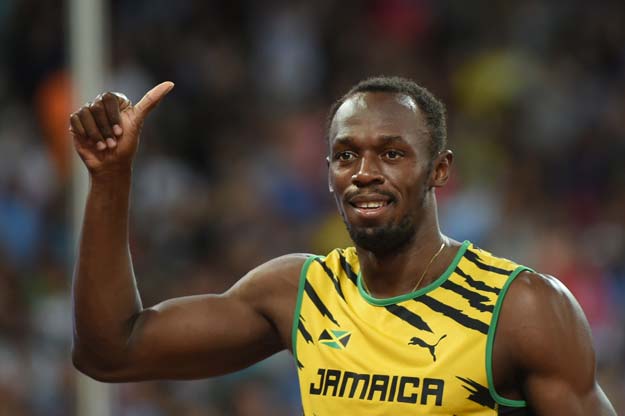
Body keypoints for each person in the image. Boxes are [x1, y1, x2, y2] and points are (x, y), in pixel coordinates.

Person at [69, 76, 616, 415]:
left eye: (393, 153)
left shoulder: (521, 308)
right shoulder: (300, 292)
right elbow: (111, 352)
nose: (365, 173)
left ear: (439, 170)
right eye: (346, 155)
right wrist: (111, 178)